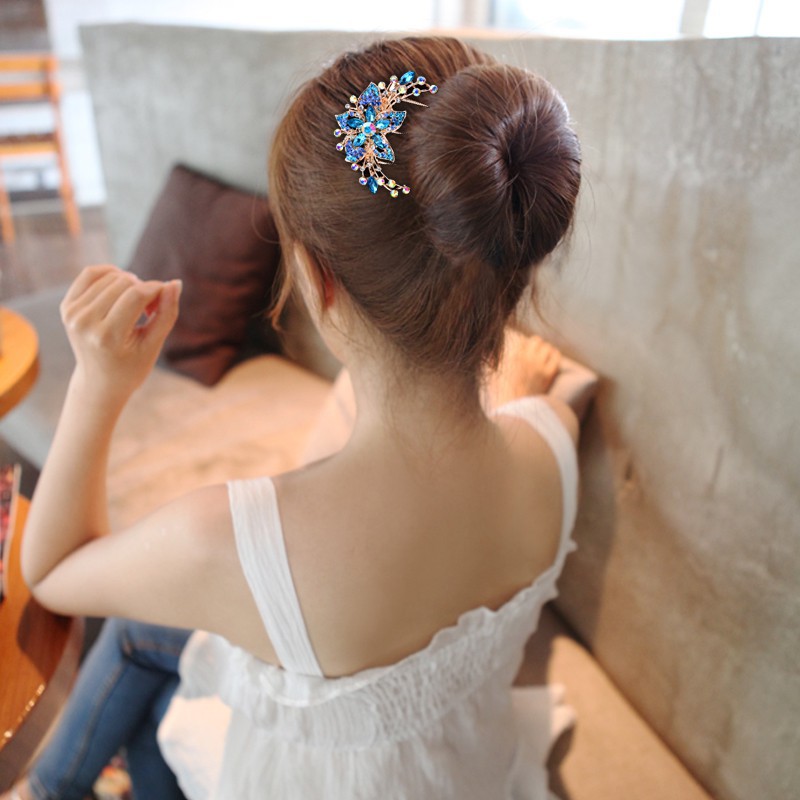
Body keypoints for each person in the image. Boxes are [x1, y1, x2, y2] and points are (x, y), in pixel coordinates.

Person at [3, 34, 583, 800]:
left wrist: (99, 385)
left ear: (316, 278)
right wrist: (524, 394)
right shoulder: (555, 441)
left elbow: (49, 573)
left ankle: (49, 789)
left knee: (141, 663)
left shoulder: (230, 540)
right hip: (465, 770)